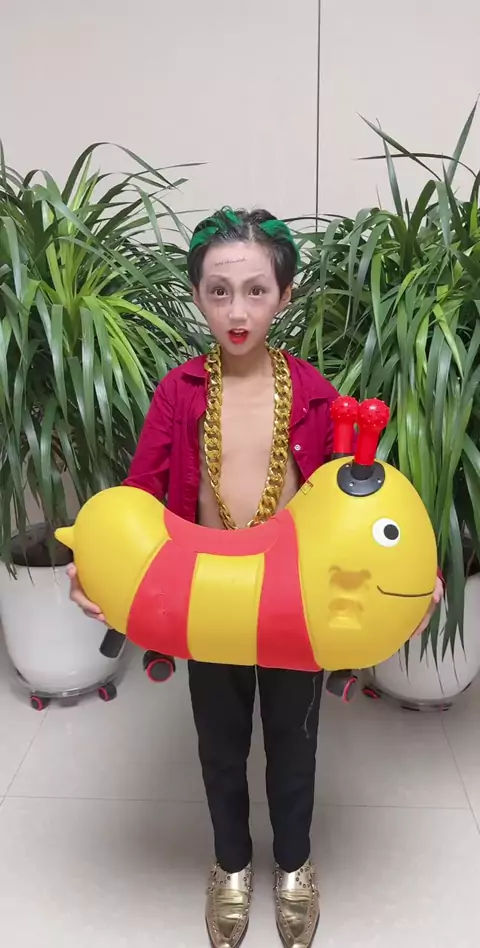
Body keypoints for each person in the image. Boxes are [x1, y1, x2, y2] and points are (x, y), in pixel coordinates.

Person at [68, 208, 444, 948]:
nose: (236, 312)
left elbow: (358, 507)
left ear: (285, 295)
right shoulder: (180, 392)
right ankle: (232, 864)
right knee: (219, 744)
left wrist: (414, 581)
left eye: (255, 291)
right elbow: (138, 497)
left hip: (292, 606)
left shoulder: (314, 394)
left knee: (294, 746)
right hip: (207, 602)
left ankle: (294, 865)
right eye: (218, 292)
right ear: (196, 295)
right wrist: (100, 569)